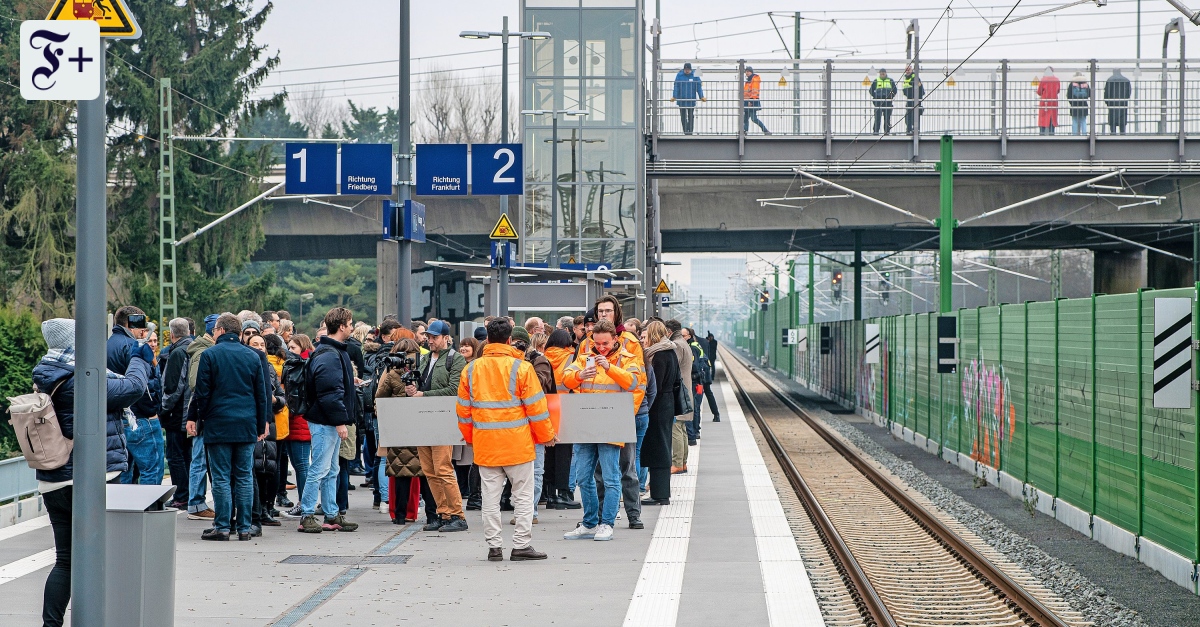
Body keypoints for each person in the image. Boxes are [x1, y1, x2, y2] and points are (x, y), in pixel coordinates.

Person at [33, 318, 150, 627]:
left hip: (53, 479)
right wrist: (139, 358)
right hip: (88, 479)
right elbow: (132, 388)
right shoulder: (81, 378)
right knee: (103, 556)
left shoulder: (47, 372)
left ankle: (51, 625)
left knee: (67, 559)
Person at [456, 318, 555, 561]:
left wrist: (471, 439)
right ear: (510, 340)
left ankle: (494, 547)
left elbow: (463, 411)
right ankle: (521, 545)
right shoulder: (521, 368)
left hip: (486, 443)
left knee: (490, 497)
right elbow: (536, 408)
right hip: (517, 444)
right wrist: (546, 436)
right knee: (522, 495)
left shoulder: (470, 369)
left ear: (487, 339)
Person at [186, 313, 270, 541]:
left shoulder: (210, 355)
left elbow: (202, 393)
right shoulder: (253, 357)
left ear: (221, 330)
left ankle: (222, 526)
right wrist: (262, 422)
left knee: (221, 476)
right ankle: (244, 527)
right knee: (244, 475)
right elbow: (261, 394)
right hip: (246, 424)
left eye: (214, 331)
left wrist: (197, 418)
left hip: (218, 423)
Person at [562, 320, 643, 541]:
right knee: (583, 476)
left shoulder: (629, 359)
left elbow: (634, 383)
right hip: (586, 422)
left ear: (615, 339)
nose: (601, 348)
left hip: (611, 422)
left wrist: (610, 368)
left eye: (605, 343)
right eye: (597, 343)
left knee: (611, 477)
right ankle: (589, 523)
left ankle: (606, 523)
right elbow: (566, 378)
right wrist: (580, 376)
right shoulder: (584, 356)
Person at [297, 307, 360, 533]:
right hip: (325, 422)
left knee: (331, 470)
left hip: (326, 421)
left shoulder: (330, 352)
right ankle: (307, 514)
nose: (352, 327)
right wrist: (340, 422)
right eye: (350, 323)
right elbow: (329, 394)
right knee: (320, 469)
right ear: (341, 326)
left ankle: (331, 514)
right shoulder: (330, 354)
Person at [404, 320, 469, 532]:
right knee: (430, 470)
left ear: (445, 338)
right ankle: (444, 513)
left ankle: (457, 514)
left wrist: (423, 394)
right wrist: (412, 389)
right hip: (425, 420)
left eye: (434, 337)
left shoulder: (456, 359)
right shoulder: (423, 359)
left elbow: (454, 390)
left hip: (442, 419)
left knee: (443, 468)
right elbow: (422, 385)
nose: (429, 340)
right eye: (428, 337)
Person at [378, 334, 439, 525]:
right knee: (424, 473)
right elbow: (380, 402)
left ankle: (401, 516)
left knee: (403, 474)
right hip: (419, 428)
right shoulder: (424, 372)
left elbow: (379, 401)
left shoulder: (391, 374)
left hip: (401, 429)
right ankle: (430, 515)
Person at [107, 306, 165, 486]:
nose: (144, 330)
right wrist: (152, 411)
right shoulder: (133, 347)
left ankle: (122, 513)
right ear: (131, 324)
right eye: (140, 324)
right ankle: (150, 510)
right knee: (152, 469)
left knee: (122, 472)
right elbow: (145, 386)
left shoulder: (107, 345)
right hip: (140, 418)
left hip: (116, 419)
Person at [639, 321, 680, 505]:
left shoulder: (659, 355)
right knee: (662, 446)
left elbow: (656, 384)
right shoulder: (670, 351)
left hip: (658, 405)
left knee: (659, 448)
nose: (644, 339)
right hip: (667, 404)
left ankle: (660, 494)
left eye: (646, 335)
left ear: (653, 335)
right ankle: (659, 492)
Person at [541, 329, 578, 510]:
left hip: (546, 408)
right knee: (564, 453)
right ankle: (563, 493)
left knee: (549, 452)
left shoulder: (543, 358)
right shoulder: (571, 357)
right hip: (566, 409)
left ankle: (549, 494)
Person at [159, 317, 194, 509]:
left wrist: (163, 408)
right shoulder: (193, 348)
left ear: (171, 334)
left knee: (175, 455)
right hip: (190, 411)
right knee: (188, 456)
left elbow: (173, 387)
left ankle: (182, 495)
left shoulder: (178, 352)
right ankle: (190, 493)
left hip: (178, 413)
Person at [280, 334, 314, 516]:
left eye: (293, 348)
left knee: (301, 464)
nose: (289, 351)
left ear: (303, 347)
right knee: (299, 463)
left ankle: (305, 502)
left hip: (300, 420)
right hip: (294, 419)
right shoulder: (298, 365)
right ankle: (305, 501)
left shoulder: (305, 365)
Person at [664, 319, 693, 474]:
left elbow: (672, 367)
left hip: (678, 391)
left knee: (676, 428)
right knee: (681, 429)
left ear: (669, 331)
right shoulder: (683, 343)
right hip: (685, 390)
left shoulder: (677, 345)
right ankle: (682, 462)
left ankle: (677, 463)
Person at [684, 328, 720, 423]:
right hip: (705, 372)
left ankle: (696, 425)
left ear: (689, 335)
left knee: (696, 400)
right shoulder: (704, 341)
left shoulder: (691, 345)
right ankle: (716, 414)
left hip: (698, 375)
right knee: (708, 393)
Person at [682, 327, 710, 446]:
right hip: (699, 380)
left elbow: (693, 365)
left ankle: (692, 434)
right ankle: (696, 430)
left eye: (683, 336)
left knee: (691, 407)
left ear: (689, 336)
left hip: (694, 381)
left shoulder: (692, 348)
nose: (681, 338)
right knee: (695, 407)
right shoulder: (697, 345)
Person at [671, 62, 706, 134]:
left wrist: (701, 96)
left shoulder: (695, 76)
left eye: (688, 69)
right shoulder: (679, 75)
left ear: (691, 69)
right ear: (684, 69)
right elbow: (676, 86)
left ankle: (690, 132)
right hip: (681, 100)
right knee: (683, 117)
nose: (687, 71)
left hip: (691, 100)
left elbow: (698, 86)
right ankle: (685, 131)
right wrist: (674, 96)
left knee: (691, 116)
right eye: (686, 69)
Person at [742, 66, 769, 135]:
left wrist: (751, 101)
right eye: (746, 71)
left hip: (752, 101)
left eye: (748, 71)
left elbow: (755, 91)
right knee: (745, 118)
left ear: (751, 72)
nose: (746, 73)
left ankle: (765, 130)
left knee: (753, 118)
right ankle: (744, 131)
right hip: (747, 101)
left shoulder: (754, 79)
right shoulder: (749, 80)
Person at [869, 69, 897, 135]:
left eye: (883, 73)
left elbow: (895, 90)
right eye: (881, 73)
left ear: (885, 73)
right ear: (879, 74)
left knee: (887, 118)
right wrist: (875, 96)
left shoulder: (890, 81)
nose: (882, 74)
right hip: (878, 101)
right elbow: (871, 90)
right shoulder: (876, 81)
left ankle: (887, 131)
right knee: (877, 117)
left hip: (888, 101)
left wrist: (890, 96)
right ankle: (876, 131)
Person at [1104, 69, 1131, 134]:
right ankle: (1123, 134)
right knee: (1122, 121)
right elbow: (1128, 93)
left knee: (1112, 121)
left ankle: (1113, 133)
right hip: (1123, 104)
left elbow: (1106, 93)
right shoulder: (1126, 80)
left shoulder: (1109, 80)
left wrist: (1107, 102)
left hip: (1112, 104)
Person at [901, 66, 925, 135]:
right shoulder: (906, 78)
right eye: (906, 70)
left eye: (909, 69)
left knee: (915, 116)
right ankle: (909, 130)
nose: (907, 71)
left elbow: (920, 90)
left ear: (911, 70)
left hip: (916, 100)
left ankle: (915, 130)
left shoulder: (915, 78)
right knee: (908, 116)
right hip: (909, 100)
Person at [1037, 67, 1060, 135]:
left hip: (1044, 103)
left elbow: (1039, 92)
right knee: (1052, 119)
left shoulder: (1043, 80)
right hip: (1054, 102)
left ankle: (1042, 135)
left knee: (1043, 120)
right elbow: (1058, 91)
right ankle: (1052, 135)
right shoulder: (1057, 80)